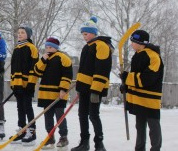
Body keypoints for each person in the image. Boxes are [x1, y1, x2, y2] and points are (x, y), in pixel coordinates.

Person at [72, 17, 113, 151]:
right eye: (83, 34)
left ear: (94, 33)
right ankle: (84, 142)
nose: (84, 36)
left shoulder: (101, 46)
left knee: (93, 115)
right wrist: (79, 87)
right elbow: (84, 69)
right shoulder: (87, 47)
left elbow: (102, 69)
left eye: (86, 33)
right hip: (84, 88)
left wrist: (96, 90)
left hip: (95, 89)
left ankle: (99, 143)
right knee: (82, 114)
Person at [120, 30, 164, 151]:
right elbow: (135, 76)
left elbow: (147, 79)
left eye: (133, 41)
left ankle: (155, 148)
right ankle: (139, 149)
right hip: (138, 99)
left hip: (149, 99)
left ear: (139, 42)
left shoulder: (152, 56)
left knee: (153, 126)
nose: (131, 44)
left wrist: (127, 77)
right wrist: (126, 86)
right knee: (139, 126)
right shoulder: (138, 55)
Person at [29, 37, 73, 149]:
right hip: (45, 93)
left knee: (60, 116)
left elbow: (67, 75)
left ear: (56, 48)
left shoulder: (63, 58)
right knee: (48, 117)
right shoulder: (44, 59)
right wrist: (42, 60)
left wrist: (63, 89)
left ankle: (63, 137)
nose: (48, 49)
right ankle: (50, 137)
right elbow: (37, 72)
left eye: (50, 47)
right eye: (46, 47)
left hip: (58, 94)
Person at [9, 25, 39, 146]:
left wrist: (31, 83)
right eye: (19, 33)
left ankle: (32, 132)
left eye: (22, 32)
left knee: (27, 107)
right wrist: (13, 83)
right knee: (20, 108)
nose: (20, 34)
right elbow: (13, 68)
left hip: (27, 84)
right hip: (17, 84)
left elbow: (34, 67)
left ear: (28, 35)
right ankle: (22, 130)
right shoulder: (16, 48)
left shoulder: (32, 48)